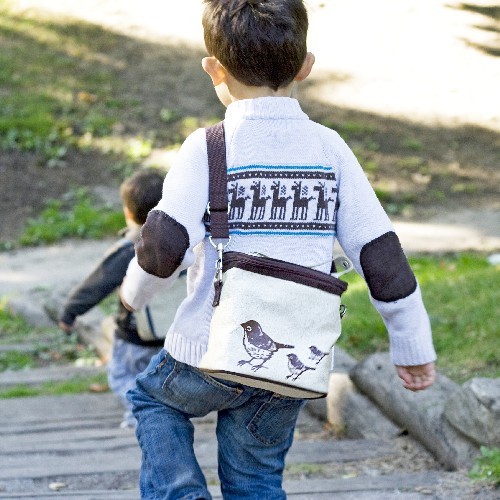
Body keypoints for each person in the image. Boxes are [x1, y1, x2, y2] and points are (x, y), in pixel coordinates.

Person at [121, 0, 437, 498]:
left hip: (206, 349)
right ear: (305, 66)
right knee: (256, 479)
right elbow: (381, 254)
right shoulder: (330, 149)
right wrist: (411, 342)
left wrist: (132, 296)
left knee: (154, 401)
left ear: (214, 69)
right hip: (288, 361)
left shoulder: (208, 147)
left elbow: (162, 246)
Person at [59, 168, 166, 429]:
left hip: (135, 337)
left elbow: (97, 283)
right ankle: (160, 414)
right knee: (161, 379)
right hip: (173, 334)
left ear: (128, 213)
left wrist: (70, 312)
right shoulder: (185, 241)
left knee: (123, 376)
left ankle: (140, 416)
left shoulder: (130, 249)